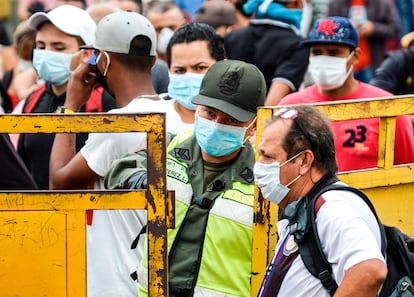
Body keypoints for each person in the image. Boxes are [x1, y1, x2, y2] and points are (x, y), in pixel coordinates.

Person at [104, 59, 267, 297]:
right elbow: (121, 169)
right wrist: (140, 179)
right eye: (209, 113)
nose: (216, 125)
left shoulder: (264, 179)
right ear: (197, 109)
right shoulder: (168, 145)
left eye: (231, 120)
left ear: (253, 126)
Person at [48, 10, 160, 297]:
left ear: (104, 61)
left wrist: (71, 104)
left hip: (116, 284)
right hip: (155, 278)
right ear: (154, 61)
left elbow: (58, 184)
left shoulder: (116, 125)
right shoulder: (173, 112)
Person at [253, 104, 387, 296]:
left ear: (305, 161)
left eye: (268, 157)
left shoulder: (332, 207)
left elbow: (370, 271)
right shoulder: (307, 207)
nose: (259, 166)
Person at [279, 16, 414, 172]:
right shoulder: (290, 107)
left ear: (355, 56)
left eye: (333, 52)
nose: (324, 59)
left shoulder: (387, 108)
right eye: (317, 52)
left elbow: (408, 172)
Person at [14, 5, 116, 189]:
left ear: (86, 54)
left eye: (58, 47)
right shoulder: (32, 101)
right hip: (36, 215)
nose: (46, 54)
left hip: (88, 215)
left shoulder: (106, 102)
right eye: (41, 46)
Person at [224, 0, 310, 106]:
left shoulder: (232, 37)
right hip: (263, 120)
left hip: (225, 116)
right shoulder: (297, 46)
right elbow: (272, 104)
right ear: (296, 2)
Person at [162, 22, 226, 133]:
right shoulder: (152, 117)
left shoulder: (238, 122)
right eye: (180, 70)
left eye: (200, 67)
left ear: (223, 66)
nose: (189, 76)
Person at [327, 0, 401, 82]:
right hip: (344, 63)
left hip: (372, 63)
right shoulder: (335, 4)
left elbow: (395, 28)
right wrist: (344, 27)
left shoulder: (382, 3)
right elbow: (326, 30)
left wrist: (373, 28)